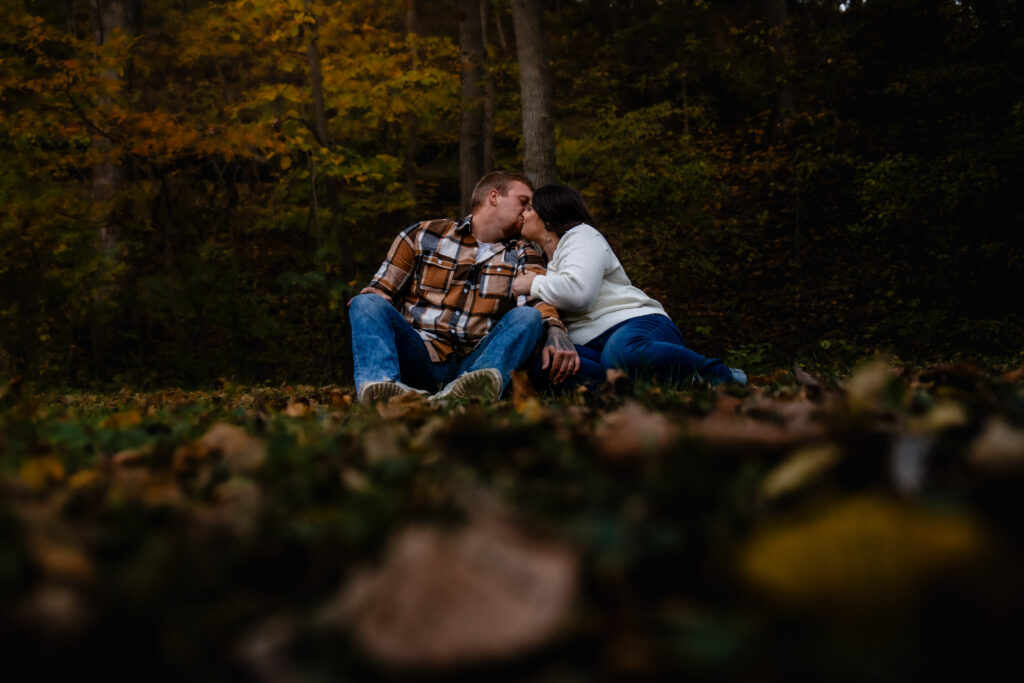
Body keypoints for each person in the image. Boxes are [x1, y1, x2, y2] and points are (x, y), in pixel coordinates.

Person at [349, 172, 580, 403]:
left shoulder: (524, 254)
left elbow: (537, 302)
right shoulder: (424, 234)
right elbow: (380, 289)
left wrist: (555, 330)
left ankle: (470, 394)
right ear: (494, 197)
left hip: (476, 362)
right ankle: (383, 389)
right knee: (365, 302)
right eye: (523, 202)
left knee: (528, 316)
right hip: (419, 356)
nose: (528, 212)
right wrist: (375, 299)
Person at [512, 184, 746, 387]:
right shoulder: (546, 263)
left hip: (635, 324)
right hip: (592, 346)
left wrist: (533, 283)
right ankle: (628, 390)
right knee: (542, 365)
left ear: (549, 216)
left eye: (530, 208)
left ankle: (720, 375)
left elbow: (578, 294)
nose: (523, 213)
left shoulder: (581, 235)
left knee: (622, 355)